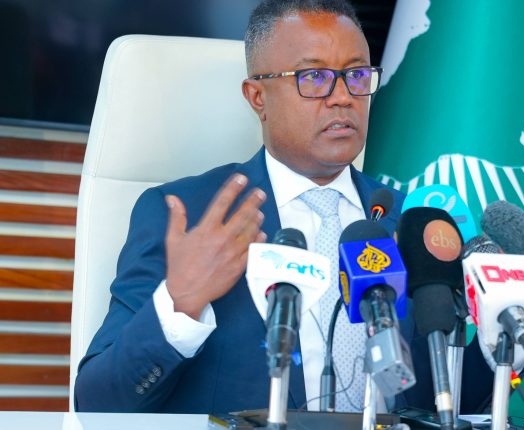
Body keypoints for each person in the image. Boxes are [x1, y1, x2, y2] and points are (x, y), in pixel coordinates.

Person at [75, 0, 493, 415]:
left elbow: (442, 400)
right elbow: (97, 402)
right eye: (314, 77)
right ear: (258, 96)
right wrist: (180, 302)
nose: (343, 97)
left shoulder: (409, 222)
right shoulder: (187, 216)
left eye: (356, 75)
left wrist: (500, 338)